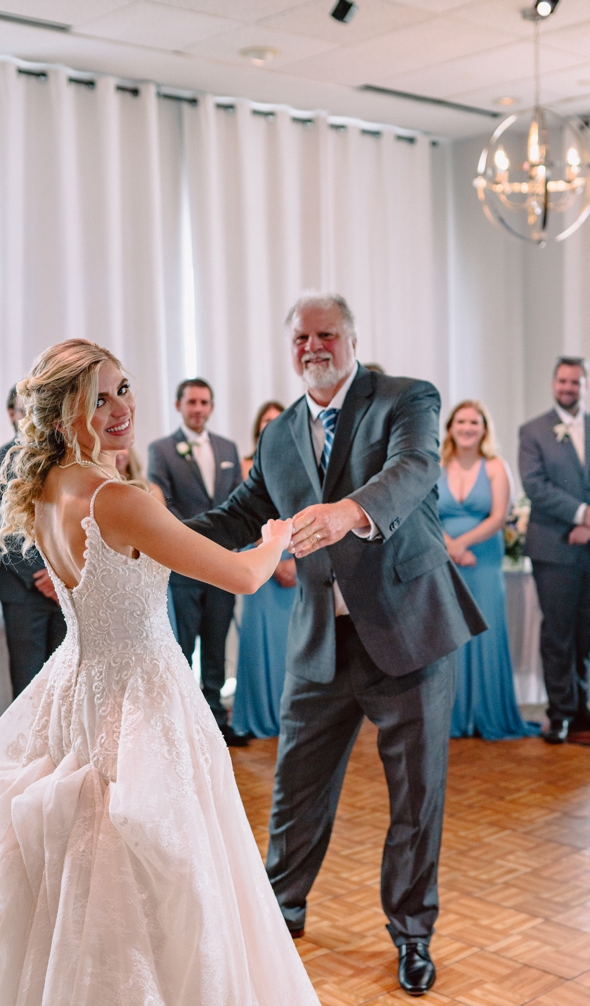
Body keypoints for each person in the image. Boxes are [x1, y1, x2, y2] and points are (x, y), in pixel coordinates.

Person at [0, 339, 316, 1005]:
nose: (121, 408)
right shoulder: (120, 498)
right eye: (99, 398)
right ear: (61, 417)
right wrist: (276, 539)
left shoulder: (49, 489)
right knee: (150, 861)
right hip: (140, 691)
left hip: (78, 686)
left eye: (123, 390)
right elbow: (241, 576)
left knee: (84, 855)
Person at [185, 292, 486, 996]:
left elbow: (413, 471)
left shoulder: (407, 398)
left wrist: (351, 513)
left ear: (351, 338)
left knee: (416, 799)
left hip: (410, 635)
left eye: (325, 335)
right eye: (300, 338)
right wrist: (151, 537)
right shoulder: (281, 432)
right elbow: (241, 512)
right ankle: (280, 909)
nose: (312, 347)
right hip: (321, 642)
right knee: (295, 790)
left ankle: (412, 934)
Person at [147, 378, 246, 746]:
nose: (198, 408)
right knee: (183, 648)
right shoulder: (162, 450)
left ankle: (218, 721)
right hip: (184, 566)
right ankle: (186, 725)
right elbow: (162, 505)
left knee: (217, 646)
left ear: (212, 406)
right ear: (179, 406)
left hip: (222, 564)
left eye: (204, 402)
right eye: (192, 402)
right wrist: (193, 543)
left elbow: (237, 501)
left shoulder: (227, 448)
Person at [441, 401, 537, 740]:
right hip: (443, 560)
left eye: (475, 422)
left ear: (484, 429)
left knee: (484, 630)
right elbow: (421, 513)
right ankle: (451, 716)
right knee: (448, 634)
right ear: (450, 427)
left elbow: (498, 517)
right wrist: (450, 547)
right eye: (461, 421)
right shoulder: (435, 464)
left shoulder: (496, 466)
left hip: (483, 557)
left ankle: (488, 713)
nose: (468, 427)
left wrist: (464, 544)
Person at [518, 357, 590, 745]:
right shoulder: (532, 431)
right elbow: (535, 485)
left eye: (575, 381)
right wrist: (581, 515)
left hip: (589, 546)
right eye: (563, 380)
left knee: (586, 633)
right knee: (559, 633)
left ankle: (582, 708)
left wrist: (589, 525)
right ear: (553, 383)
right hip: (554, 548)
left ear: (584, 384)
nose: (568, 387)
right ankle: (560, 713)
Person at [0, 387, 65, 697]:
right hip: (21, 590)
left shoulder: (63, 458)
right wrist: (39, 576)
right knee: (29, 684)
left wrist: (59, 573)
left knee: (66, 680)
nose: (28, 416)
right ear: (11, 414)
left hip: (65, 585)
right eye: (22, 409)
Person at [231, 400, 296, 739]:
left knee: (293, 644)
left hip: (296, 563)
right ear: (258, 428)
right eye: (265, 422)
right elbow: (244, 517)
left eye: (278, 421)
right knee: (258, 642)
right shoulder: (244, 464)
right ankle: (257, 714)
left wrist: (293, 560)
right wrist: (270, 557)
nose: (271, 427)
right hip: (258, 563)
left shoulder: (303, 464)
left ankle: (294, 717)